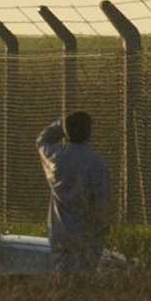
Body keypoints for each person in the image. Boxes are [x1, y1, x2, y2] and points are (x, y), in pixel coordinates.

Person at [37, 111, 112, 272]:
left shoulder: (55, 158)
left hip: (59, 232)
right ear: (89, 132)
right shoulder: (97, 163)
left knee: (62, 277)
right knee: (86, 278)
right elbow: (101, 202)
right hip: (87, 234)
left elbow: (42, 140)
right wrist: (101, 228)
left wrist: (61, 124)